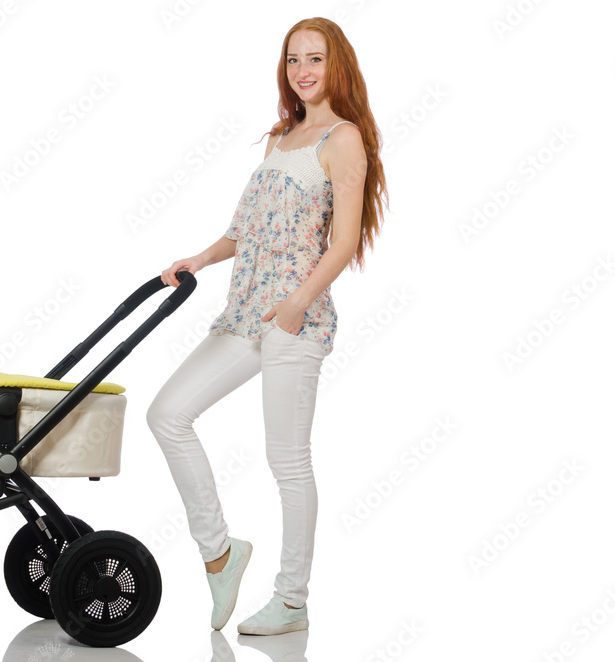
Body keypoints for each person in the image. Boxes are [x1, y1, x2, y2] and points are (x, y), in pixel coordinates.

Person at [147, 17, 388, 636]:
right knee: (167, 414)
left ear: (337, 65)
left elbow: (342, 241)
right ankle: (220, 554)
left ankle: (292, 600)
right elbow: (246, 230)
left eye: (315, 58)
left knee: (287, 461)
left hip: (294, 320)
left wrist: (298, 302)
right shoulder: (281, 137)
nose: (302, 71)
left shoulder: (343, 139)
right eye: (292, 60)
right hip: (244, 311)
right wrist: (200, 258)